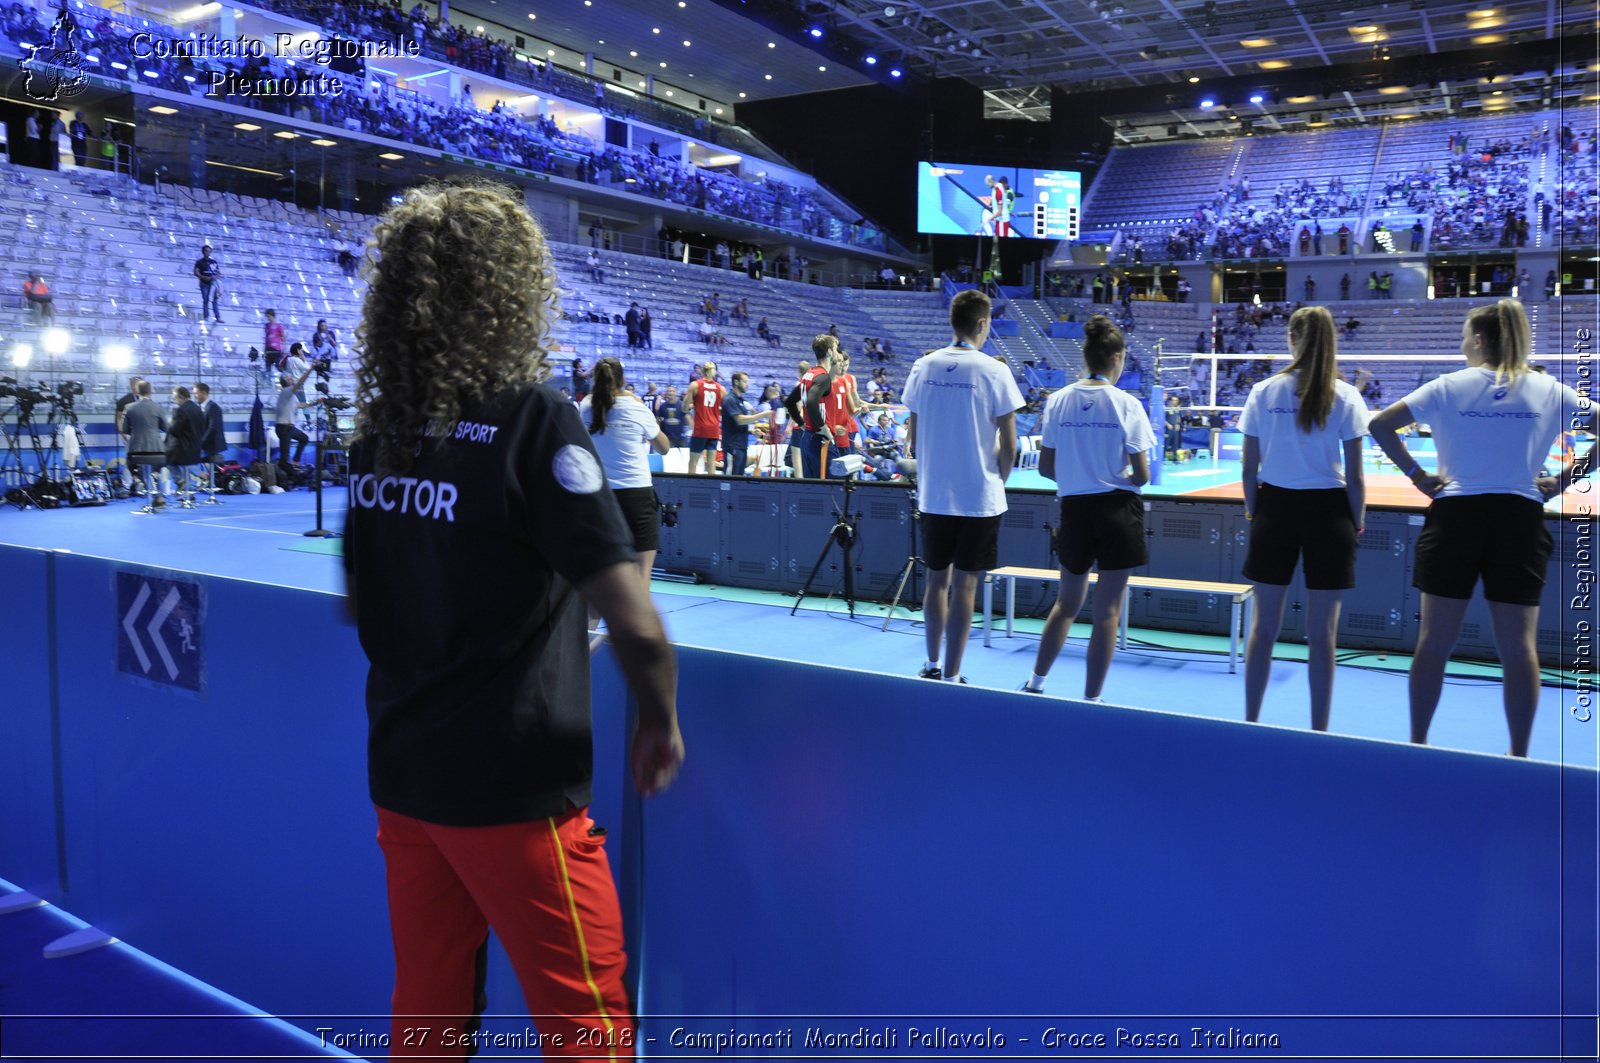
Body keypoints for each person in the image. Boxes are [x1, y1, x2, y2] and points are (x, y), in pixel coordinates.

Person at [342, 181, 681, 1057]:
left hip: (404, 775)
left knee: (427, 1010)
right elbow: (635, 621)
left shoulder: (381, 431)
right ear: (511, 289)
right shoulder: (533, 417)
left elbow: (363, 601)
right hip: (514, 786)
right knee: (588, 1022)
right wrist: (659, 718)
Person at [1368, 299, 1591, 758]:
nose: (1462, 344)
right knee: (1519, 648)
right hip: (1520, 519)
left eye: (1464, 336)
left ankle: (1418, 745)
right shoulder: (1549, 389)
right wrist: (1562, 481)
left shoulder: (1448, 386)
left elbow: (1380, 425)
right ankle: (1519, 756)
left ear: (1480, 339)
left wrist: (1417, 476)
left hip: (1456, 518)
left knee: (1435, 641)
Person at [1237, 306, 1368, 732]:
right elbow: (1356, 477)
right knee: (1323, 635)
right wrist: (1356, 520)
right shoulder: (1346, 397)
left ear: (1292, 339)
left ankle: (1252, 720)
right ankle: (1319, 731)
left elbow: (1248, 470)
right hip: (1330, 514)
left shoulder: (1264, 392)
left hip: (1274, 509)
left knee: (1263, 628)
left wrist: (1257, 511)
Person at [1019, 315, 1153, 701]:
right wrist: (1116, 475)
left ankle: (1036, 684)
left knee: (1066, 604)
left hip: (1075, 511)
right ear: (1116, 357)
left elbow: (1046, 467)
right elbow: (1142, 475)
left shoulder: (1058, 401)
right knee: (1108, 611)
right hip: (1118, 512)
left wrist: (1077, 475)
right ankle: (1092, 699)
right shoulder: (1128, 405)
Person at [902, 289, 1024, 685]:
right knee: (966, 585)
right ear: (983, 324)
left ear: (952, 322)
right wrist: (997, 481)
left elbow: (914, 438)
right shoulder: (994, 370)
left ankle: (932, 663)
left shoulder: (924, 366)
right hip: (979, 498)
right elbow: (1011, 444)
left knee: (937, 580)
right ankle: (954, 673)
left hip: (935, 495)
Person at [580, 357, 671, 638]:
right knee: (641, 574)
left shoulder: (586, 407)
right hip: (637, 496)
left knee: (599, 575)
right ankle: (637, 640)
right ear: (622, 380)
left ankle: (584, 642)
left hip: (600, 497)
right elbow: (665, 447)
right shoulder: (636, 407)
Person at [121, 380, 167, 512]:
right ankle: (159, 497)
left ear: (136, 392)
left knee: (131, 465)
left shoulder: (129, 407)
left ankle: (140, 481)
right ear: (150, 391)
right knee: (155, 470)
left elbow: (124, 429)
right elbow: (165, 428)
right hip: (157, 450)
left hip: (137, 450)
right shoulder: (158, 407)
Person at [720, 370, 770, 477]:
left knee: (739, 481)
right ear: (736, 382)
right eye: (745, 382)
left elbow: (735, 425)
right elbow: (739, 420)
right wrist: (763, 414)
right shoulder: (730, 399)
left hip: (741, 446)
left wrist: (751, 431)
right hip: (732, 447)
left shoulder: (740, 400)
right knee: (730, 481)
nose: (747, 385)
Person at [165, 385, 207, 505]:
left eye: (175, 398)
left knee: (168, 461)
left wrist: (169, 423)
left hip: (183, 448)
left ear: (181, 397)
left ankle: (182, 483)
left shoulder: (181, 410)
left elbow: (175, 429)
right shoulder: (198, 408)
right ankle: (190, 489)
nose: (174, 401)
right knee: (184, 467)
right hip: (196, 447)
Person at [682, 361, 725, 475]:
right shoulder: (721, 388)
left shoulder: (695, 385)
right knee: (711, 463)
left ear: (702, 371)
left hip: (701, 429)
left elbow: (684, 407)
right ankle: (713, 489)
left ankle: (690, 487)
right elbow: (724, 408)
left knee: (693, 462)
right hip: (714, 429)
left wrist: (692, 406)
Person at [274, 364, 317, 471]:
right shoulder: (286, 391)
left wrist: (316, 402)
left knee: (304, 438)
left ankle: (295, 462)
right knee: (284, 457)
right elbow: (301, 382)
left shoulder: (290, 395)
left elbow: (301, 405)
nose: (292, 379)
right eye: (290, 378)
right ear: (286, 381)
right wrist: (310, 369)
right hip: (284, 428)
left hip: (289, 428)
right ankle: (282, 480)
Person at [194, 246, 223, 323]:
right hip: (204, 283)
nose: (208, 252)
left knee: (215, 300)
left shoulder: (214, 262)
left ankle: (218, 317)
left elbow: (218, 273)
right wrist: (202, 277)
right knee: (206, 300)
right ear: (203, 252)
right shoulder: (199, 262)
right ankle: (206, 316)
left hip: (213, 283)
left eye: (209, 251)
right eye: (206, 251)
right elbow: (196, 272)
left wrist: (215, 277)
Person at [654, 384, 684, 448]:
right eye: (669, 391)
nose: (670, 392)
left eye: (672, 391)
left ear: (675, 393)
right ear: (666, 393)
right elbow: (659, 420)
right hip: (668, 438)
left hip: (681, 437)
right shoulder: (663, 406)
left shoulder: (681, 405)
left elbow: (687, 418)